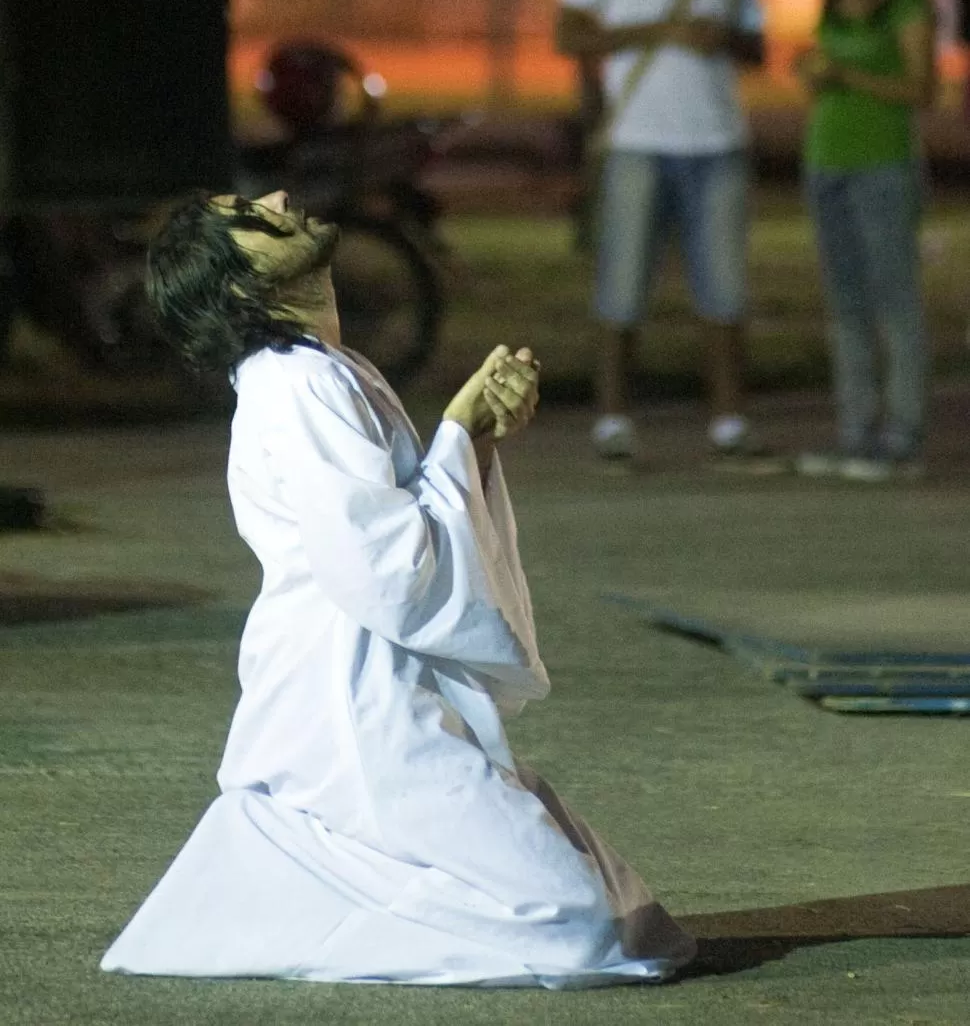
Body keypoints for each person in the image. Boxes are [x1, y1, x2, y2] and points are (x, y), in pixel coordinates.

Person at [100, 189, 695, 987]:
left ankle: (291, 866)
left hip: (372, 684)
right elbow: (385, 569)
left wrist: (473, 434)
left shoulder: (321, 369)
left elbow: (393, 531)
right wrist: (457, 426)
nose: (278, 198)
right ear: (242, 284)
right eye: (250, 214)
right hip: (355, 704)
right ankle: (287, 883)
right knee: (582, 929)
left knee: (626, 922)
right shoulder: (297, 384)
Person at [555, 0, 765, 464]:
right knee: (621, 284)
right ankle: (613, 417)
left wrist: (723, 37)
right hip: (637, 140)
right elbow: (569, 33)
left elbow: (757, 43)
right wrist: (656, 33)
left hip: (718, 140)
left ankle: (728, 419)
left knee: (724, 288)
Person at [796, 0, 936, 481]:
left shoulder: (905, 3)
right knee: (845, 303)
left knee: (894, 300)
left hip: (883, 164)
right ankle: (856, 428)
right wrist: (814, 75)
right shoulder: (833, 1)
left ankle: (901, 429)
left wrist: (846, 72)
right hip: (827, 161)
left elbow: (920, 89)